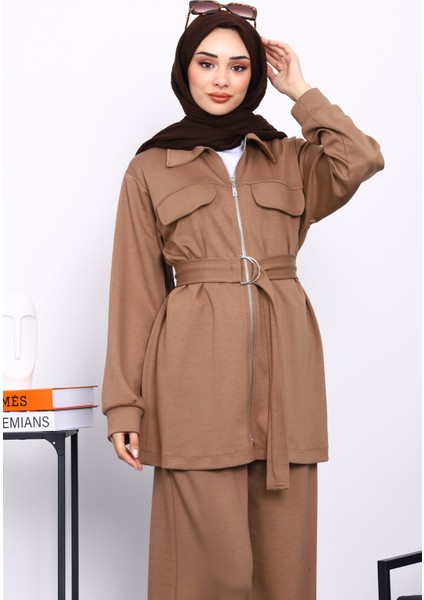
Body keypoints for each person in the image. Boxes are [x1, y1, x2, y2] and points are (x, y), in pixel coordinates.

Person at [102, 3, 384, 599]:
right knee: (203, 575)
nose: (222, 80)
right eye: (207, 63)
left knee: (285, 574)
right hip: (194, 389)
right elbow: (135, 291)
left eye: (238, 66)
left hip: (287, 391)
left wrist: (301, 93)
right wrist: (124, 405)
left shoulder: (290, 157)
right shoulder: (150, 168)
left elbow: (361, 158)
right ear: (185, 68)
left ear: (256, 75)